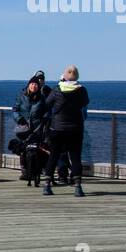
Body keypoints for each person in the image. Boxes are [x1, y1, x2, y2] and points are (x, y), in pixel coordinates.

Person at [42, 65, 90, 197]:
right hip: (75, 129)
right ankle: (78, 187)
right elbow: (85, 103)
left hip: (57, 128)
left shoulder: (57, 90)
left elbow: (47, 104)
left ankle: (47, 186)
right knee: (75, 157)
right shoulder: (82, 90)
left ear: (64, 75)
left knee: (54, 155)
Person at [12, 72, 51, 182]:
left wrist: (44, 119)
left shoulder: (42, 98)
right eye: (32, 84)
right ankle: (25, 171)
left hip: (37, 128)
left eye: (36, 84)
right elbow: (15, 110)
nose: (34, 86)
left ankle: (35, 171)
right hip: (24, 127)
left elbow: (48, 111)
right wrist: (19, 119)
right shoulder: (21, 96)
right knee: (23, 149)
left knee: (37, 149)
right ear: (29, 85)